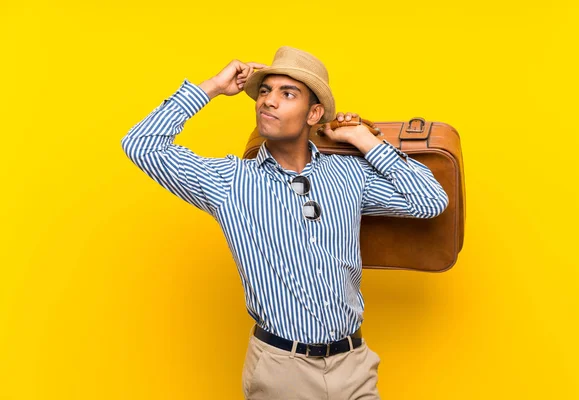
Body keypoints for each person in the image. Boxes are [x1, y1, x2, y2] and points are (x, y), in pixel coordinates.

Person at [121, 46, 448, 399]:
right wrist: (213, 86)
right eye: (264, 91)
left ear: (314, 113)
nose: (268, 102)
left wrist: (364, 139)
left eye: (287, 93)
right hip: (282, 370)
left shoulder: (349, 174)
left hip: (353, 365)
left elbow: (429, 200)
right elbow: (141, 144)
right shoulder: (231, 182)